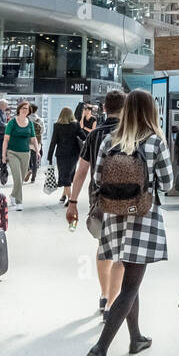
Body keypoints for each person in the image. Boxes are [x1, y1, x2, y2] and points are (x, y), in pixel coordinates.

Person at [84, 89, 173, 356]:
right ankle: (101, 348)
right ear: (151, 111)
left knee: (131, 282)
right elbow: (168, 183)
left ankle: (136, 337)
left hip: (114, 216)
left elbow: (98, 179)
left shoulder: (110, 141)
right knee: (131, 285)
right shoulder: (155, 142)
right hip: (143, 217)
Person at [66, 89, 125, 320]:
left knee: (104, 246)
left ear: (104, 109)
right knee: (121, 252)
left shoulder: (95, 135)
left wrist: (72, 201)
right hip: (127, 201)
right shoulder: (132, 133)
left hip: (99, 199)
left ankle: (103, 295)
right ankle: (112, 302)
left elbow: (81, 171)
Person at [1, 101, 35, 210]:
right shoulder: (12, 122)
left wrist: (37, 151)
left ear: (29, 111)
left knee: (21, 179)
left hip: (26, 153)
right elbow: (6, 140)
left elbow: (33, 139)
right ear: (19, 109)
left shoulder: (30, 123)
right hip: (12, 153)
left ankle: (13, 195)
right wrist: (3, 156)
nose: (25, 110)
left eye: (27, 108)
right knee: (17, 178)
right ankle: (20, 202)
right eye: (23, 108)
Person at [47, 106, 83, 202]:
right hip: (74, 154)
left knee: (65, 175)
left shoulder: (57, 125)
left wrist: (49, 156)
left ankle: (71, 199)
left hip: (61, 155)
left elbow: (53, 141)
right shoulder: (76, 125)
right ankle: (64, 195)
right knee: (68, 174)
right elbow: (83, 137)